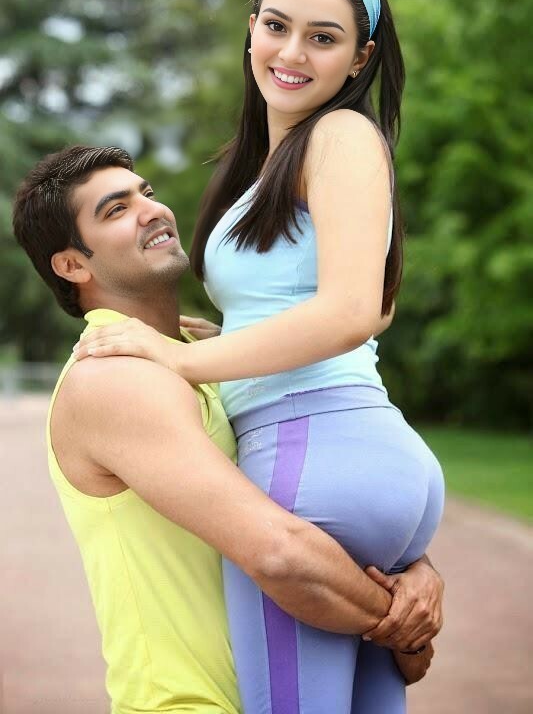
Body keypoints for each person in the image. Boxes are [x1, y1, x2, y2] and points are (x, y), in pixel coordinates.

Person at [74, 0, 445, 714]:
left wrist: (174, 361)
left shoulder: (338, 136)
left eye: (322, 37)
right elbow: (343, 304)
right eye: (276, 26)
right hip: (362, 457)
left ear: (360, 58)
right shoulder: (269, 163)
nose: (291, 52)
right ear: (250, 29)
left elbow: (348, 313)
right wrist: (224, 337)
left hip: (310, 458)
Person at [13, 146, 441, 714]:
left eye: (146, 193)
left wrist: (414, 567)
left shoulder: (202, 354)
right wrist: (400, 620)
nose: (151, 210)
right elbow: (279, 550)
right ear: (72, 266)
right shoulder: (112, 380)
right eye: (116, 209)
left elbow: (309, 497)